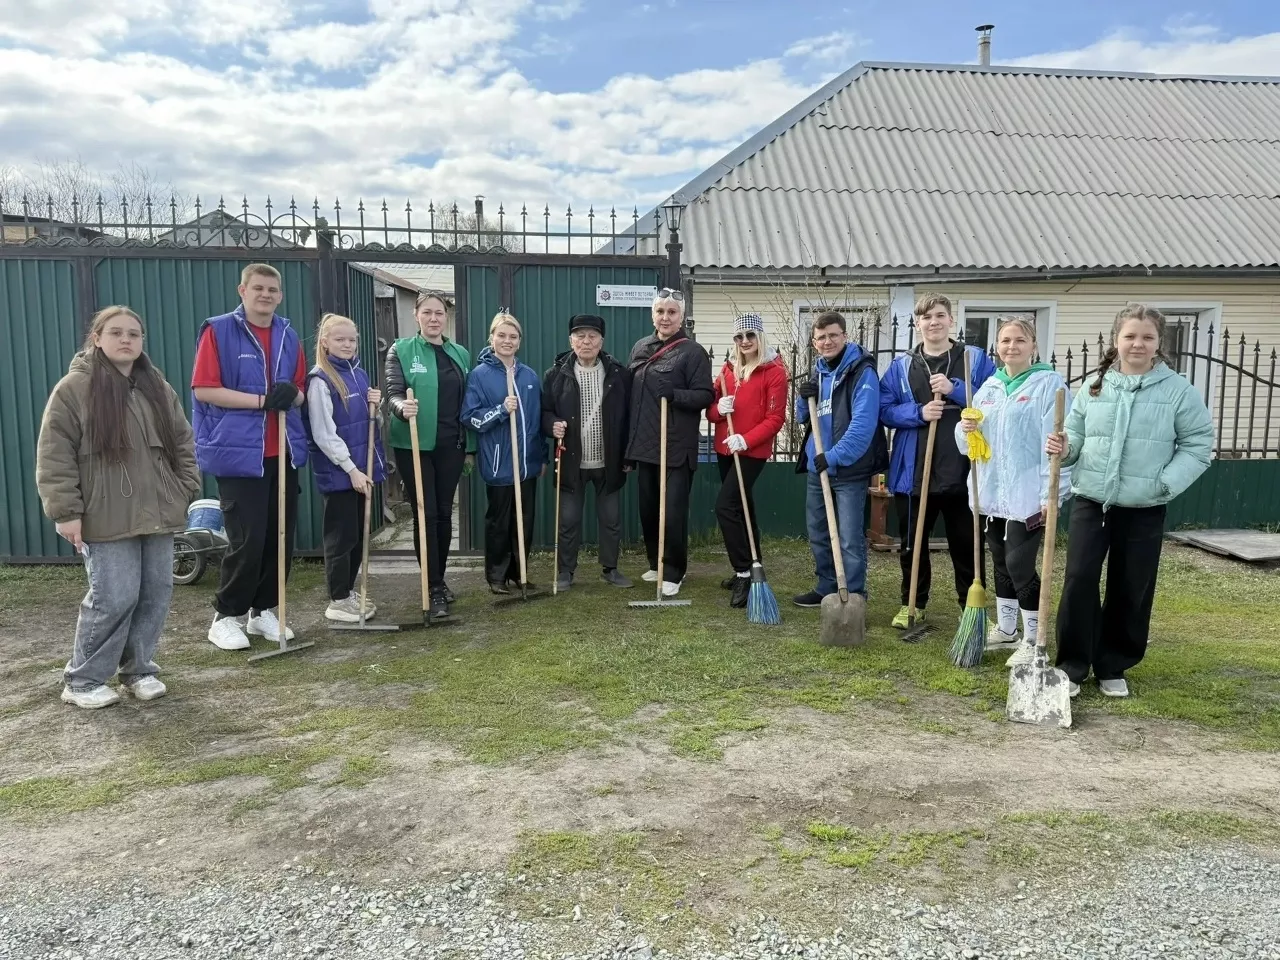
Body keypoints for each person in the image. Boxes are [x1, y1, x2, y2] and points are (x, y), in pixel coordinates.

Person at [36, 306, 201, 708]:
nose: (126, 339)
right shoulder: (74, 389)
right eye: (116, 332)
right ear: (97, 338)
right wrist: (66, 512)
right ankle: (83, 680)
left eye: (134, 333)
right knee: (113, 597)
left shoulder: (156, 387)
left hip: (158, 511)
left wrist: (185, 488)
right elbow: (55, 454)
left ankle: (138, 670)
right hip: (105, 513)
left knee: (154, 594)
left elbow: (182, 441)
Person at [1046, 303, 1213, 699]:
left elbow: (1198, 445)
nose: (1138, 344)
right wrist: (1065, 448)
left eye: (1147, 337)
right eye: (1130, 336)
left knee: (1131, 585)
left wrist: (1163, 484)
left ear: (1159, 343)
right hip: (1092, 500)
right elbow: (1076, 437)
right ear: (1116, 340)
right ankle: (1072, 665)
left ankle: (1113, 664)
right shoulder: (1094, 387)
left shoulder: (1178, 391)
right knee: (1079, 580)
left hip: (1144, 507)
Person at [192, 263, 308, 651]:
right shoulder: (219, 330)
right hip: (240, 454)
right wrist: (261, 401)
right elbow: (204, 389)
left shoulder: (288, 335)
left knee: (279, 536)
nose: (265, 295)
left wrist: (293, 395)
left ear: (280, 295)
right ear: (242, 291)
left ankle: (263, 611)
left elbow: (301, 390)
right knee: (247, 538)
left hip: (282, 450)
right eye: (258, 288)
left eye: (272, 289)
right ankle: (225, 616)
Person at [955, 317, 1071, 666]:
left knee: (1020, 564)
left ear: (1033, 345)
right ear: (997, 347)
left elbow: (1058, 445)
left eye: (1020, 340)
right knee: (1000, 561)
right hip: (993, 492)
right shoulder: (989, 388)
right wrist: (966, 428)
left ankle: (1034, 638)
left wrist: (1052, 495)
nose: (1012, 346)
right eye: (1005, 340)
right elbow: (968, 446)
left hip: (1027, 494)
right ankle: (1007, 630)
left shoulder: (1049, 385)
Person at [880, 293, 995, 627]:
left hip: (964, 469)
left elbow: (994, 399)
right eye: (926, 317)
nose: (934, 322)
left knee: (968, 545)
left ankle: (971, 608)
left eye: (940, 315)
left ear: (951, 320)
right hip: (916, 473)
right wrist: (919, 412)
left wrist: (955, 389)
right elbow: (884, 409)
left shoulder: (974, 359)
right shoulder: (902, 366)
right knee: (912, 545)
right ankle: (913, 604)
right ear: (917, 324)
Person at [385, 291, 475, 616]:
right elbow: (393, 393)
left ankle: (439, 578)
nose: (434, 318)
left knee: (444, 514)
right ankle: (433, 585)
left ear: (446, 317)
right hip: (414, 445)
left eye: (439, 313)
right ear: (417, 315)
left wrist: (470, 448)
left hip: (451, 445)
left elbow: (468, 402)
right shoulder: (401, 349)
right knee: (426, 513)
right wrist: (401, 407)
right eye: (427, 312)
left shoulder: (459, 353)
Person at [792, 311, 888, 607]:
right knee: (819, 532)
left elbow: (863, 425)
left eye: (833, 335)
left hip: (848, 468)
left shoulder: (862, 372)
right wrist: (803, 397)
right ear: (814, 342)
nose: (827, 341)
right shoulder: (818, 371)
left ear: (845, 336)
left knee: (848, 537)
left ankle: (854, 594)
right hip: (817, 467)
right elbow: (802, 417)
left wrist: (833, 457)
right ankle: (827, 587)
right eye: (821, 337)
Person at [626, 288, 714, 597]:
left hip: (676, 445)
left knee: (673, 511)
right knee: (649, 510)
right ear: (653, 315)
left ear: (681, 316)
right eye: (660, 311)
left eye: (672, 312)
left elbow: (705, 395)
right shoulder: (640, 347)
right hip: (645, 444)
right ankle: (656, 562)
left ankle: (675, 570)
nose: (665, 317)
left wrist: (675, 394)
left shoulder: (693, 352)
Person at [541, 314, 634, 592]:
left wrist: (628, 456)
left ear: (601, 341)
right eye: (580, 336)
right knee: (568, 520)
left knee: (611, 520)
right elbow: (544, 412)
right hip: (571, 462)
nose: (586, 341)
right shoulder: (555, 375)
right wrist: (551, 425)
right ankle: (565, 571)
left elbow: (628, 418)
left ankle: (610, 568)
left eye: (592, 336)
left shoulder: (619, 374)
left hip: (608, 462)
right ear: (571, 341)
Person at [307, 313, 386, 623]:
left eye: (352, 339)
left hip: (360, 470)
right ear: (325, 342)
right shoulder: (320, 380)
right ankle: (337, 600)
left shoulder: (359, 374)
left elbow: (369, 424)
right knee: (340, 539)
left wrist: (376, 407)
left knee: (355, 537)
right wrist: (351, 469)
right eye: (340, 339)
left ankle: (348, 591)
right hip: (340, 473)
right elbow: (323, 433)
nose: (347, 344)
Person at [706, 313, 787, 608]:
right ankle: (754, 565)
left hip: (751, 452)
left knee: (725, 506)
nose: (745, 341)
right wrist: (718, 409)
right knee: (741, 507)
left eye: (750, 335)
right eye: (739, 337)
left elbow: (775, 418)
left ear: (760, 337)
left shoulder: (774, 372)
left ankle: (742, 570)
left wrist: (747, 439)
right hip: (725, 449)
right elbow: (710, 413)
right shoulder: (727, 370)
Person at [462, 312, 546, 593]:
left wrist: (541, 456)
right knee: (499, 522)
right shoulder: (479, 375)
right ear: (492, 338)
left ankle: (519, 573)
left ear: (519, 341)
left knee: (524, 521)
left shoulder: (529, 376)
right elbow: (470, 418)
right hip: (499, 463)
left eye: (513, 336)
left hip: (527, 464)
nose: (507, 341)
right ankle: (496, 576)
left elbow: (537, 421)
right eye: (502, 335)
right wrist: (500, 410)